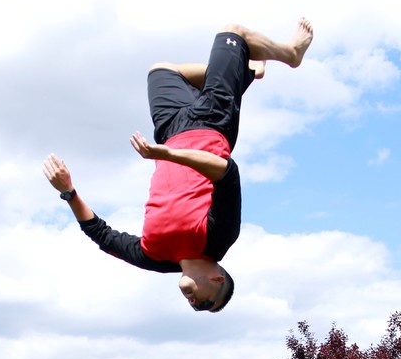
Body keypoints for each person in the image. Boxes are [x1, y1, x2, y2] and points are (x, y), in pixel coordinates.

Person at [43, 18, 314, 312]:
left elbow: (103, 236)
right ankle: (289, 54)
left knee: (160, 70)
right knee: (234, 32)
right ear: (218, 278)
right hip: (212, 124)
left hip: (169, 131)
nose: (196, 304)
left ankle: (244, 71)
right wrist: (167, 156)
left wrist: (68, 191)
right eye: (208, 303)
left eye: (198, 307)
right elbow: (225, 171)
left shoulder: (154, 257)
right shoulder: (219, 239)